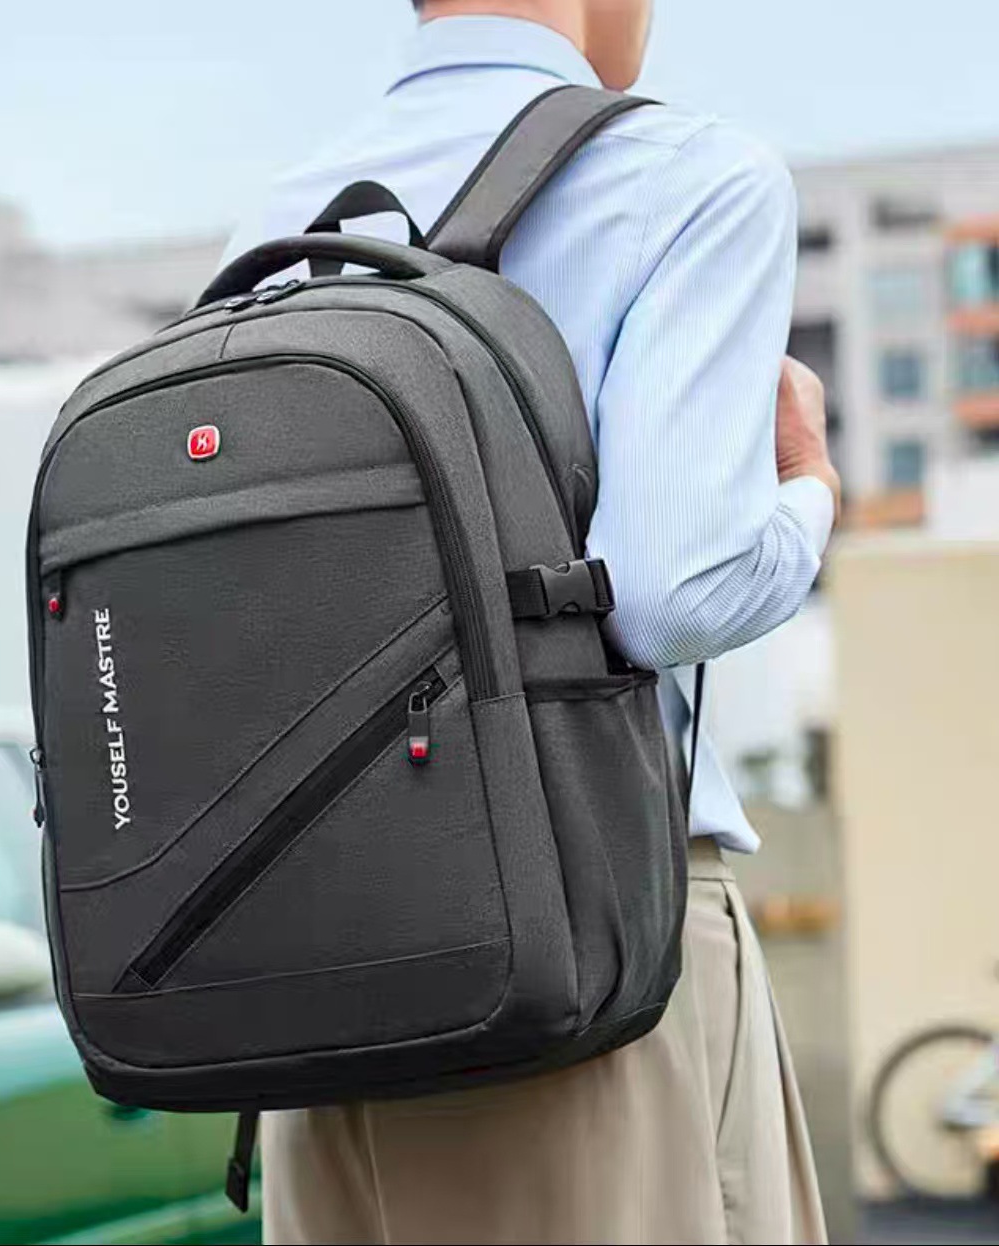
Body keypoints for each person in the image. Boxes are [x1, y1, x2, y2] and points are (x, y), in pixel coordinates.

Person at [222, 2, 840, 1242]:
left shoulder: (280, 223)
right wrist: (808, 490)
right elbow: (669, 592)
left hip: (315, 989)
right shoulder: (686, 177)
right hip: (586, 964)